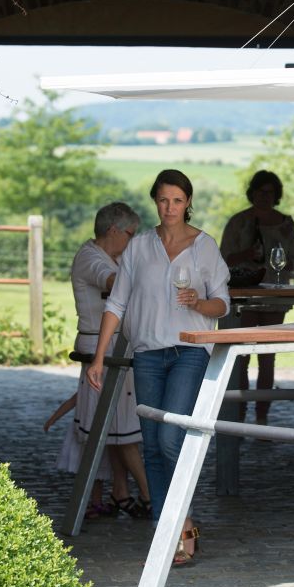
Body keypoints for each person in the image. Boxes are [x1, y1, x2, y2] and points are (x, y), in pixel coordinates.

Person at [87, 169, 230, 564]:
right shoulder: (140, 247)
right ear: (155, 202)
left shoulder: (205, 247)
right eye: (163, 200)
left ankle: (181, 524)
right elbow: (117, 303)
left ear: (188, 203)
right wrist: (99, 357)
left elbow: (222, 303)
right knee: (151, 447)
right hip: (147, 354)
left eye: (178, 200)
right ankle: (167, 533)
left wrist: (199, 303)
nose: (170, 208)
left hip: (189, 351)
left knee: (171, 440)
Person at [71, 201, 151, 518]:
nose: (132, 240)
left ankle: (121, 492)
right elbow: (112, 282)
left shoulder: (108, 256)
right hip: (101, 350)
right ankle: (151, 496)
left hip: (114, 347)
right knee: (124, 429)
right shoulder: (91, 258)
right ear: (114, 230)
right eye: (130, 234)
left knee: (117, 428)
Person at [220, 169, 294, 423]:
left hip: (274, 297)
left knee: (268, 359)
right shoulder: (238, 222)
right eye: (259, 191)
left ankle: (262, 416)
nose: (264, 196)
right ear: (252, 193)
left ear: (276, 194)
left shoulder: (285, 224)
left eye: (269, 192)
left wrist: (282, 264)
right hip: (244, 297)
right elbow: (221, 260)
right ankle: (240, 413)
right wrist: (246, 255)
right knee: (241, 357)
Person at [44, 390, 113, 518]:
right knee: (88, 470)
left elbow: (72, 401)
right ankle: (90, 503)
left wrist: (53, 418)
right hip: (83, 430)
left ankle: (95, 503)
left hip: (98, 428)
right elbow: (73, 400)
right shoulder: (87, 388)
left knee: (98, 470)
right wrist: (53, 418)